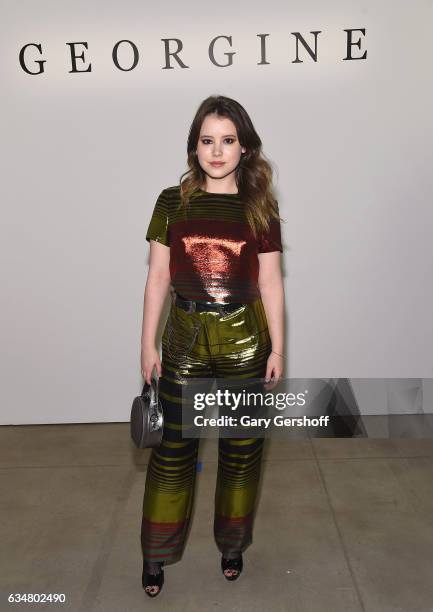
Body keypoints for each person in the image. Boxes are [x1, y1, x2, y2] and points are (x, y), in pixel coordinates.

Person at [139, 95, 285, 597]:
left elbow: (271, 284)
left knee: (242, 453)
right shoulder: (170, 202)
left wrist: (278, 349)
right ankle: (156, 556)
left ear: (244, 148)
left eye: (227, 140)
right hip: (183, 340)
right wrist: (146, 346)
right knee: (173, 452)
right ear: (194, 146)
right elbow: (158, 279)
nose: (216, 150)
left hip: (247, 341)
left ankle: (232, 545)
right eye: (207, 140)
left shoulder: (260, 206)